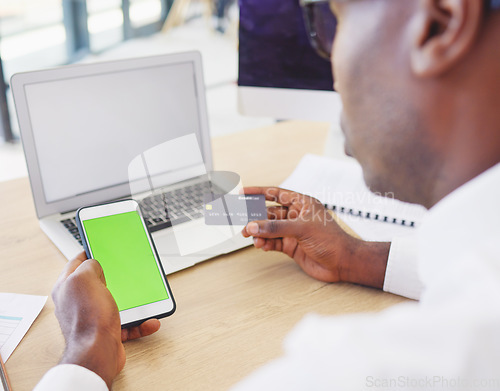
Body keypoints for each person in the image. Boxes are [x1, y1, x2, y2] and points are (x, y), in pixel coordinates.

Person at [35, 0, 500, 389]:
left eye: (331, 18)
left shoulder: (357, 373)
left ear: (440, 24)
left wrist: (86, 350)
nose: (331, 62)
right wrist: (358, 257)